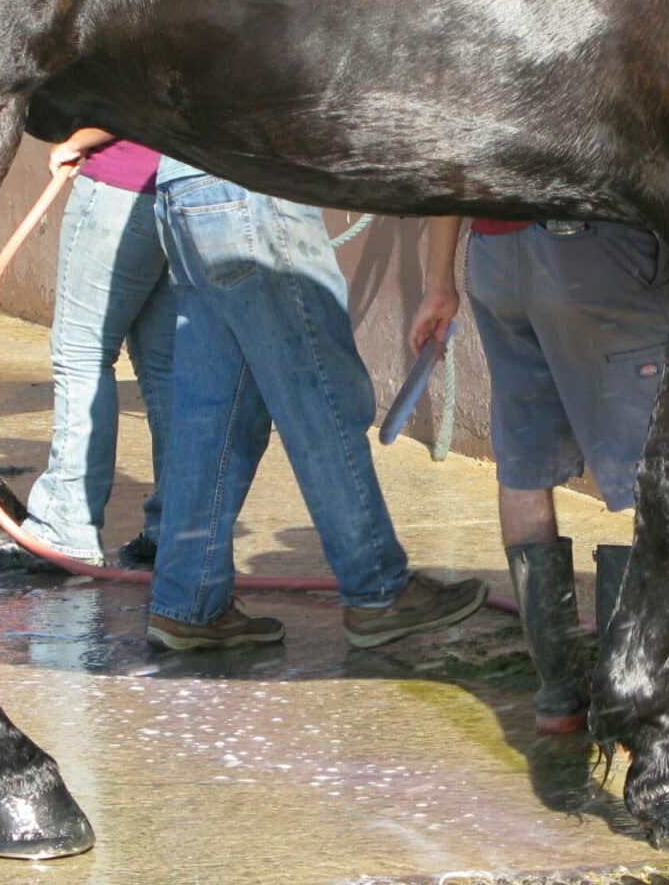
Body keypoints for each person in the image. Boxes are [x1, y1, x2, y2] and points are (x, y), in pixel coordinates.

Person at [409, 216, 669, 742]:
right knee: (657, 466)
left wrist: (438, 282)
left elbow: (445, 161)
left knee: (525, 465)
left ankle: (559, 694)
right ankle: (661, 693)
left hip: (493, 258)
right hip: (585, 249)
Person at [145, 158, 487, 652]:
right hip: (254, 183)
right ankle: (377, 590)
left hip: (182, 186)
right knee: (322, 395)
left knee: (215, 413)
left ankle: (187, 602)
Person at [0, 128, 171, 573]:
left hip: (120, 182)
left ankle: (66, 529)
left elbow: (131, 80)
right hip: (176, 187)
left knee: (82, 354)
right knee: (164, 368)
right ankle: (175, 530)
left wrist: (76, 142)